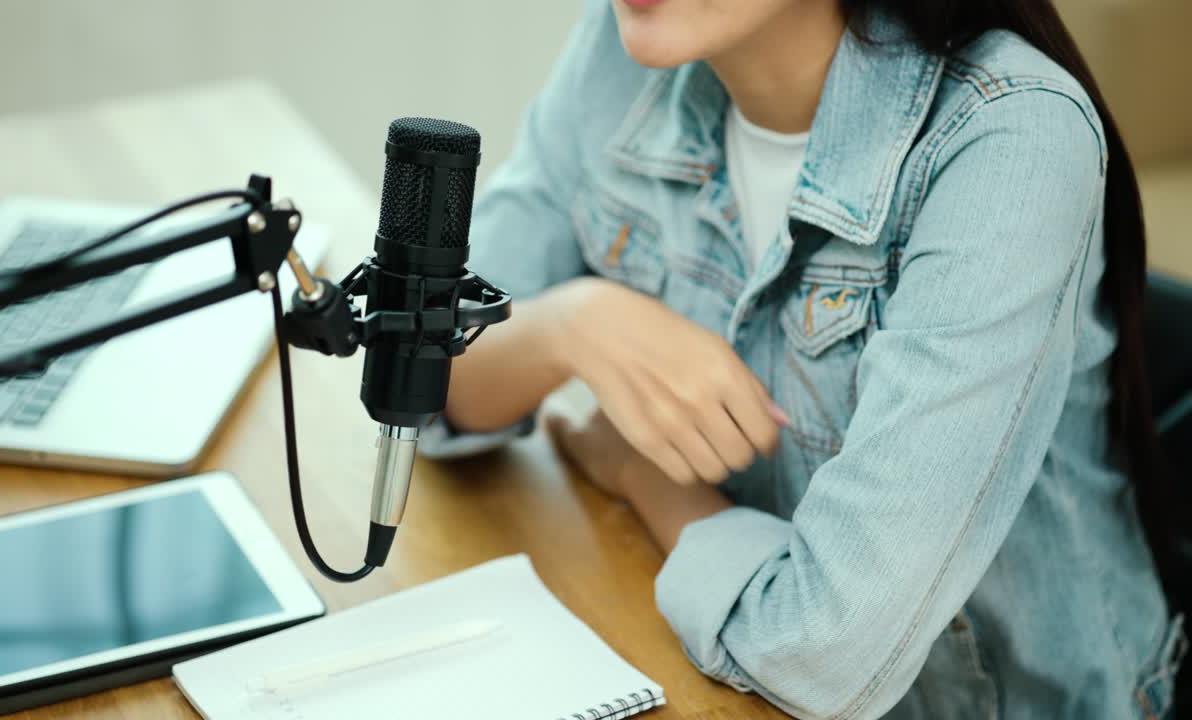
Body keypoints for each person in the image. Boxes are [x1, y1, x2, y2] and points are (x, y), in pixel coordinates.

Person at [419, 0, 1187, 717]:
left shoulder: (1009, 137)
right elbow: (417, 372)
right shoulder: (623, 49)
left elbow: (826, 653)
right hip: (723, 674)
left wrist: (645, 479)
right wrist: (571, 324)